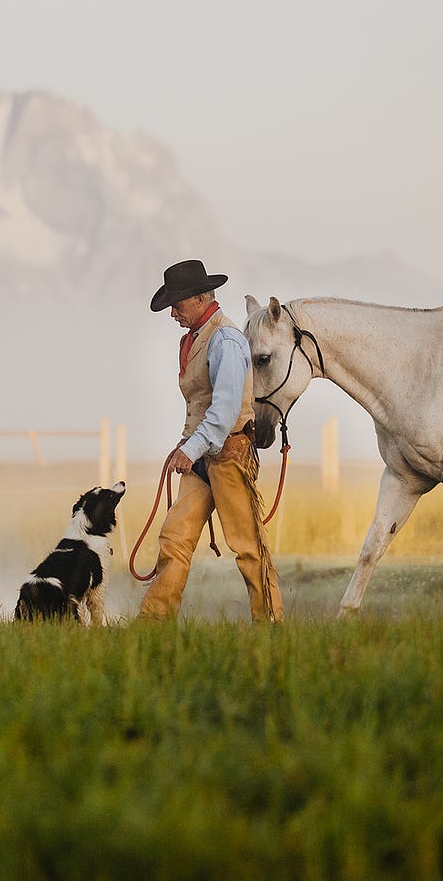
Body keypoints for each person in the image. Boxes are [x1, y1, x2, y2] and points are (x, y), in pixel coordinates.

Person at [138, 259, 283, 622]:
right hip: (203, 456)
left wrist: (189, 448)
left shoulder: (226, 340)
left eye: (178, 304)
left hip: (230, 454)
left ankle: (272, 627)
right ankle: (152, 624)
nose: (173, 313)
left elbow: (225, 409)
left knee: (248, 547)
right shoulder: (197, 338)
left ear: (202, 298)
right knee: (175, 538)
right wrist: (190, 446)